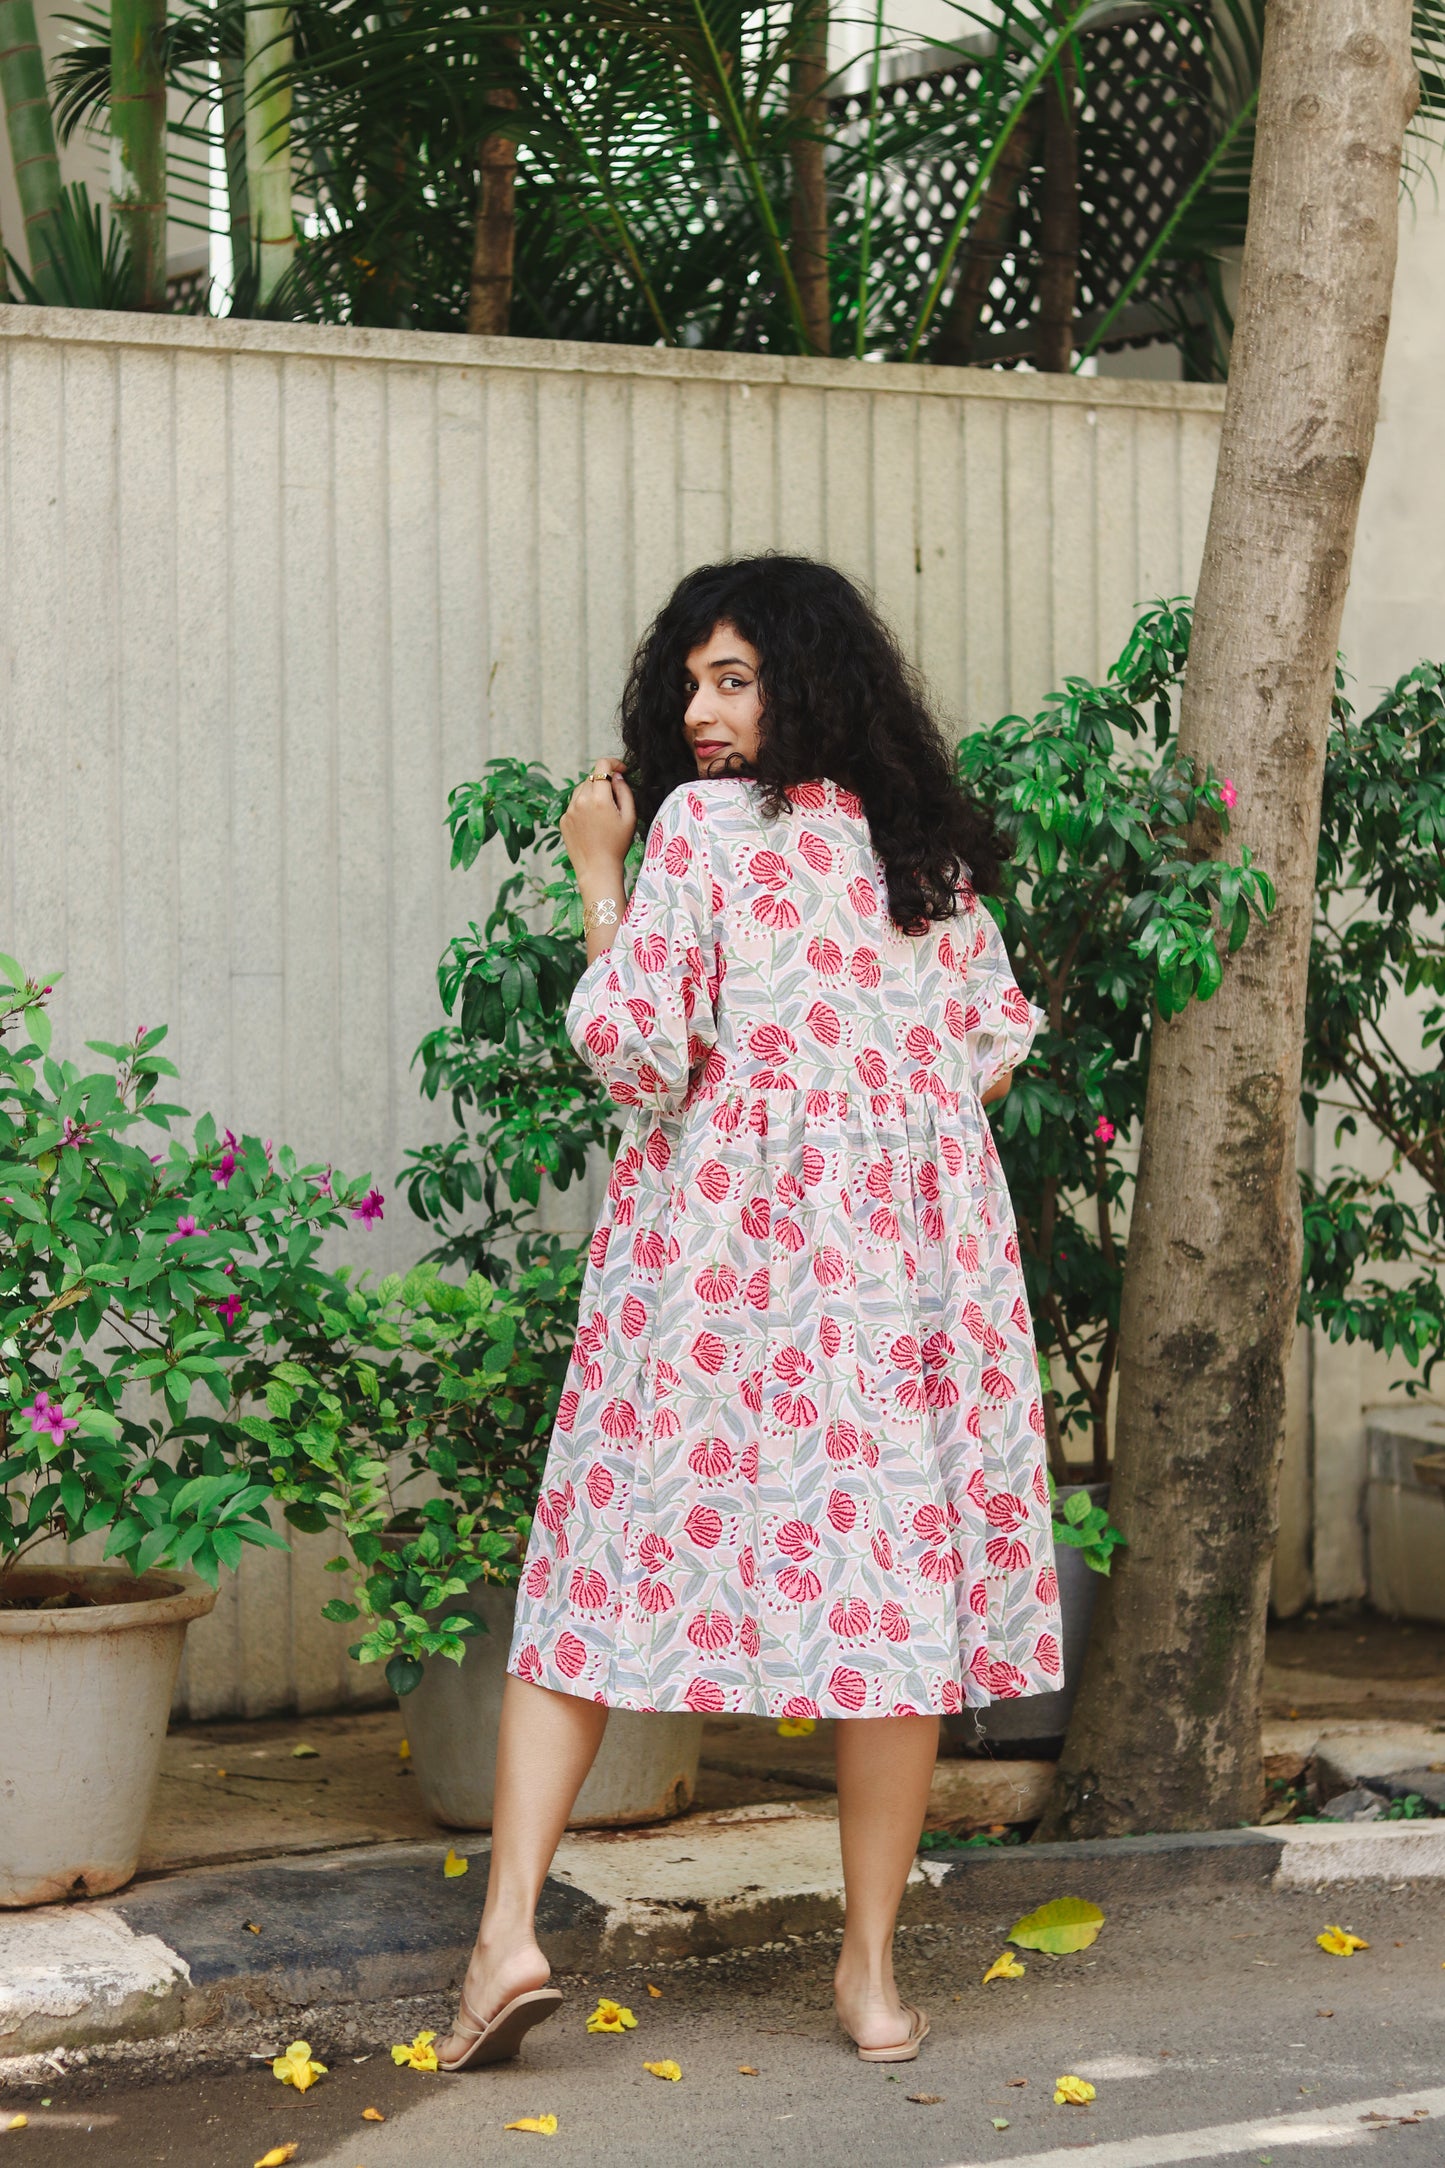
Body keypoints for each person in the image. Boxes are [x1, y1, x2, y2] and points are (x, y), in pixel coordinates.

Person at [436, 554, 1062, 2074]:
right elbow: (986, 1053)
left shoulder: (698, 832)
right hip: (907, 1282)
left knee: (595, 1567)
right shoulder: (929, 857)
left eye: (735, 678)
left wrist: (598, 866)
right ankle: (867, 1978)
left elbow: (641, 1053)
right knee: (889, 1611)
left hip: (713, 1272)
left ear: (806, 679)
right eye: (690, 684)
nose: (700, 715)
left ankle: (506, 1935)